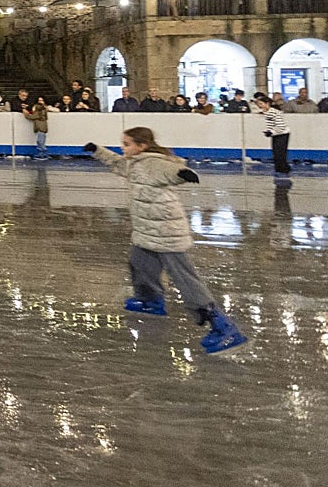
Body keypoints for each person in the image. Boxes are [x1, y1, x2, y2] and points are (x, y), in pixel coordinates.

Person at [83, 128, 248, 354]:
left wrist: (184, 173)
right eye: (123, 143)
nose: (123, 147)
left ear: (142, 146)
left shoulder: (153, 163)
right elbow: (117, 162)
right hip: (146, 231)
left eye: (127, 144)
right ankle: (151, 301)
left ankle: (223, 326)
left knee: (185, 279)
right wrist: (97, 151)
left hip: (166, 231)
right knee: (139, 263)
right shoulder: (133, 163)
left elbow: (172, 169)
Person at [257, 97, 291, 178]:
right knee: (276, 153)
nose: (259, 106)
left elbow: (281, 126)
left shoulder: (274, 112)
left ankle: (283, 169)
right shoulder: (268, 112)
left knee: (280, 153)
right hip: (277, 134)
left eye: (261, 104)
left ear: (267, 104)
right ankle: (280, 169)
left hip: (282, 134)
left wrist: (271, 132)